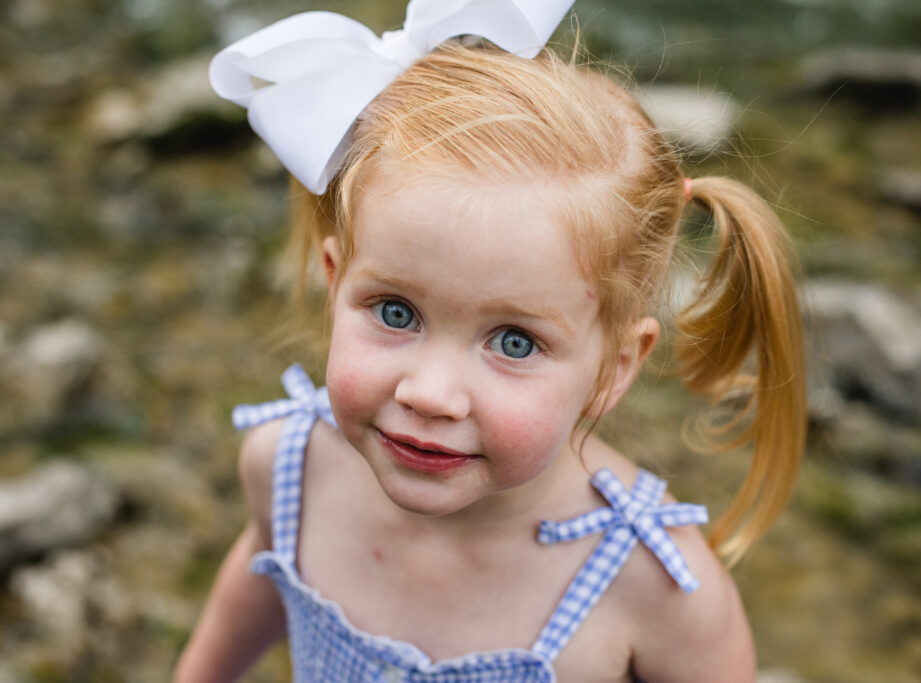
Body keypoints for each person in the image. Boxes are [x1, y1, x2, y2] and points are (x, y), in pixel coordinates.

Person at [175, 1, 806, 680]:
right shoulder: (289, 472)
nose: (430, 394)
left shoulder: (658, 591)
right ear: (335, 285)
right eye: (394, 312)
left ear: (618, 364)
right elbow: (259, 582)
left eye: (513, 343)